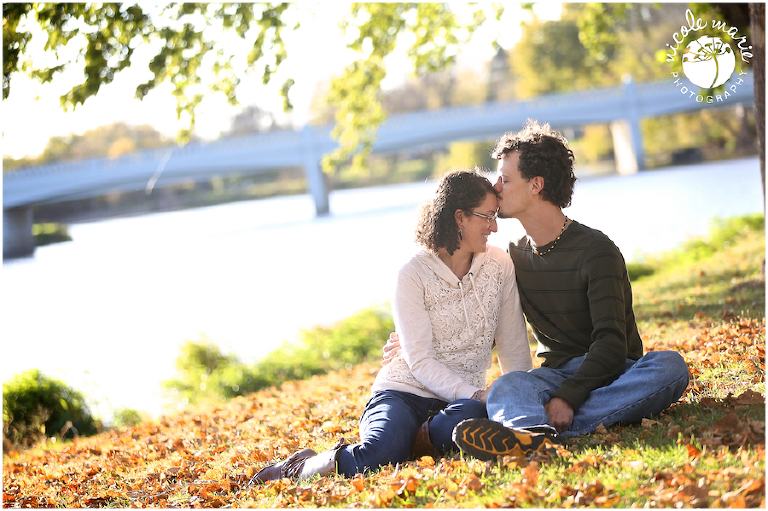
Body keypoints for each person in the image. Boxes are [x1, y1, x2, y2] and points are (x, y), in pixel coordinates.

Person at [386, 120, 690, 461]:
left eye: (505, 178)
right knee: (508, 385)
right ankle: (533, 436)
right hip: (552, 377)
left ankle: (528, 431)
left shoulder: (596, 250)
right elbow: (473, 303)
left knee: (670, 366)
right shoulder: (513, 256)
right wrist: (407, 341)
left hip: (613, 373)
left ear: (536, 185)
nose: (496, 187)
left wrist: (568, 398)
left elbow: (612, 344)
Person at [247, 169, 533, 484]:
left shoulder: (499, 265)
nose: (494, 226)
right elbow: (420, 360)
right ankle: (304, 466)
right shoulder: (413, 273)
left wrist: (516, 401)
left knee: (476, 420)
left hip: (459, 403)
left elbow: (514, 346)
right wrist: (478, 394)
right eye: (487, 216)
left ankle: (411, 441)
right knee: (378, 456)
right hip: (403, 393)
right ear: (460, 217)